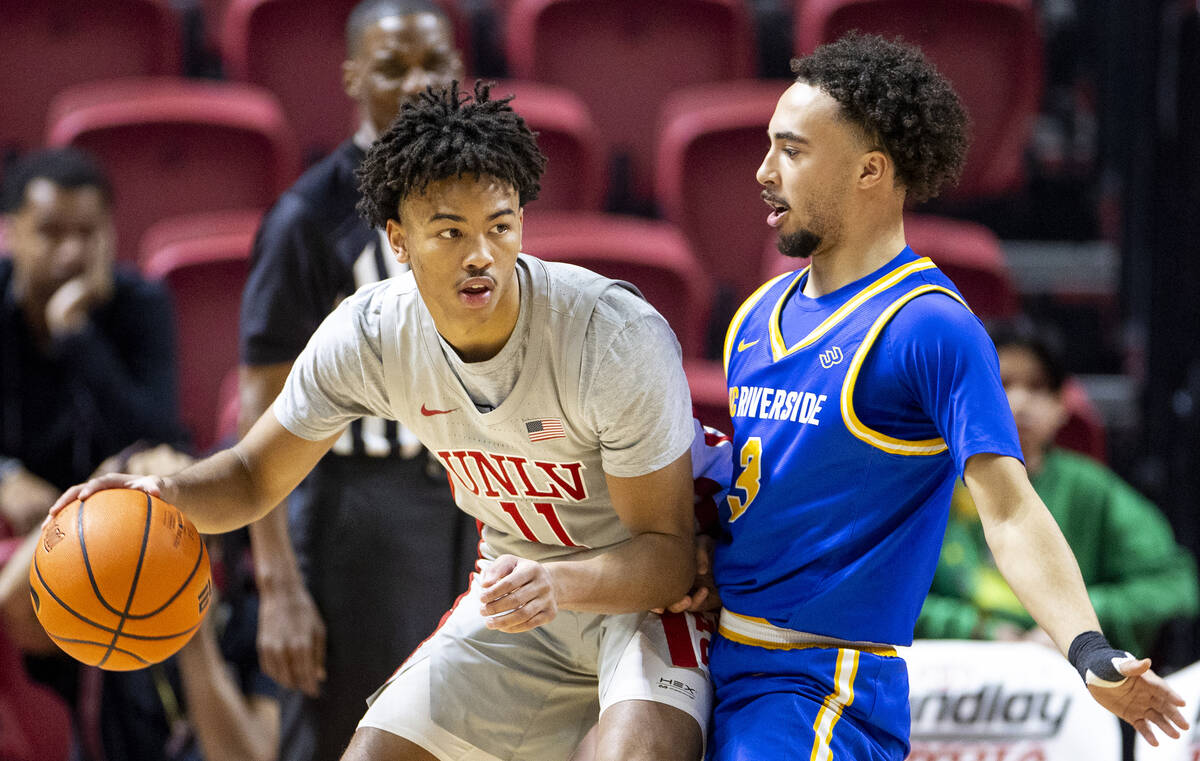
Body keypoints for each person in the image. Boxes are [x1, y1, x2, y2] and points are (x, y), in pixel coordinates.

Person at [55, 81, 713, 761]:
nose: (481, 253)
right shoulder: (372, 333)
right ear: (398, 239)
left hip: (632, 599)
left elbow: (667, 557)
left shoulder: (609, 335)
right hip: (522, 597)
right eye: (450, 231)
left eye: (500, 225)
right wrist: (164, 498)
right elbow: (254, 476)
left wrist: (560, 582)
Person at [689, 33, 1189, 760]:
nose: (764, 171)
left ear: (869, 169)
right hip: (717, 654)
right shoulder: (755, 317)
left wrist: (1084, 646)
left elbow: (1011, 509)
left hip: (820, 683)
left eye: (791, 151)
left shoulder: (927, 326)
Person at [236, 2, 474, 758]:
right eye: (392, 67)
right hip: (354, 510)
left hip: (465, 490)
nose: (418, 84)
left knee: (457, 727)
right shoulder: (307, 217)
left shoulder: (476, 192)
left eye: (433, 63)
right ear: (351, 77)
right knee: (359, 732)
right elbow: (261, 400)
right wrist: (276, 585)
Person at [916, 321, 1198, 655]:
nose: (1019, 402)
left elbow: (1175, 584)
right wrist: (976, 629)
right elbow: (880, 593)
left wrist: (1076, 629)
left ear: (1063, 404)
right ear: (966, 397)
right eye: (1001, 383)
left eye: (1038, 387)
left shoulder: (1092, 489)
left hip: (1068, 675)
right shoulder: (928, 487)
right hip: (948, 675)